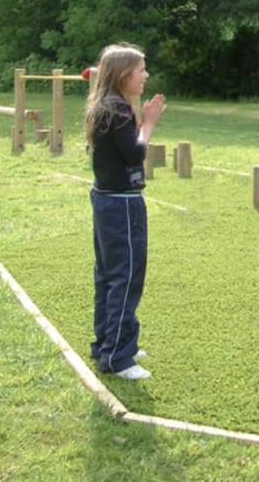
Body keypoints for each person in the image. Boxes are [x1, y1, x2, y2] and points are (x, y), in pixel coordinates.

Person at [84, 43, 166, 379]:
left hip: (107, 201)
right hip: (122, 205)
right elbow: (134, 154)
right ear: (123, 75)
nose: (145, 76)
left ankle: (110, 342)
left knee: (108, 275)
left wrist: (137, 114)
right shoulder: (116, 110)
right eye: (141, 70)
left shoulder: (110, 106)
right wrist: (149, 123)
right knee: (126, 276)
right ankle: (117, 357)